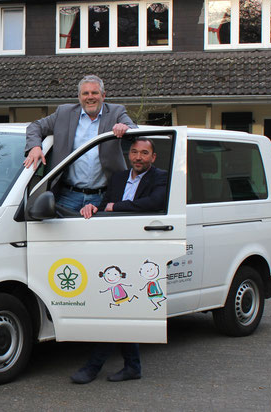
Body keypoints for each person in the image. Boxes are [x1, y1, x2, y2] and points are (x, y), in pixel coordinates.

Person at [70, 137, 166, 384]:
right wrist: (92, 208)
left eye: (144, 153)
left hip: (141, 247)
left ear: (153, 157)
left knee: (117, 308)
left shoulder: (161, 177)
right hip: (114, 247)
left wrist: (117, 207)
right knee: (121, 307)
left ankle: (93, 367)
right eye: (134, 152)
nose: (138, 157)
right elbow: (104, 206)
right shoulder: (118, 178)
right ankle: (133, 366)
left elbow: (153, 203)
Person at [24, 75, 137, 212]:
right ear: (79, 97)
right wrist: (35, 147)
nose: (90, 97)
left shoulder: (116, 112)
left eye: (94, 93)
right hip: (67, 196)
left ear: (103, 95)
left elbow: (134, 131)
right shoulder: (64, 113)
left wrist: (125, 128)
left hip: (104, 197)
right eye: (85, 93)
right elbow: (35, 126)